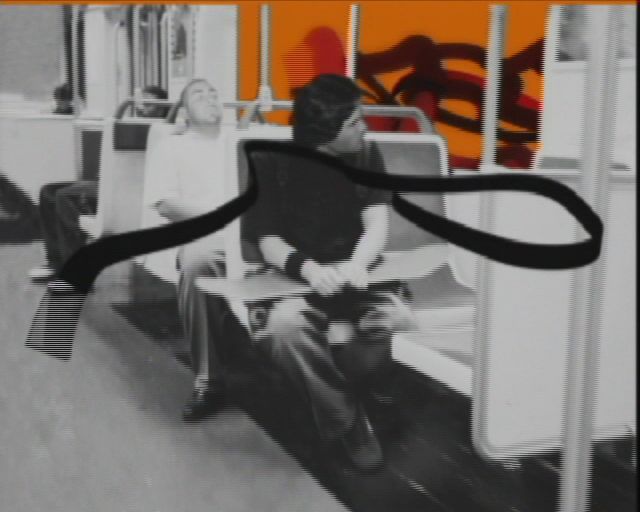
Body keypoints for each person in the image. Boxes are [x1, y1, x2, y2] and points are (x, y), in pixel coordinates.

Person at [242, 74, 416, 471]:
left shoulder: (367, 154)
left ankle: (368, 378)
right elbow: (268, 240)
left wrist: (358, 262)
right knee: (284, 329)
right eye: (354, 122)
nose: (364, 128)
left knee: (397, 317)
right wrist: (310, 270)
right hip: (296, 275)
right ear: (325, 133)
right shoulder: (270, 162)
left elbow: (377, 224)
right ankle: (348, 419)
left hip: (357, 272)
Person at [142, 79, 231, 422]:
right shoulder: (172, 147)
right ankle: (209, 380)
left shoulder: (239, 141)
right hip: (204, 232)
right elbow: (165, 203)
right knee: (196, 263)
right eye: (198, 94)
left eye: (213, 93)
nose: (209, 98)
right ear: (185, 112)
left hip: (249, 232)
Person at [29, 85, 169, 283]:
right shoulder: (130, 125)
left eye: (149, 104)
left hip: (130, 190)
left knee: (64, 196)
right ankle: (55, 261)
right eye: (141, 103)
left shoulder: (162, 131)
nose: (142, 107)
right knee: (48, 191)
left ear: (162, 107)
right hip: (112, 184)